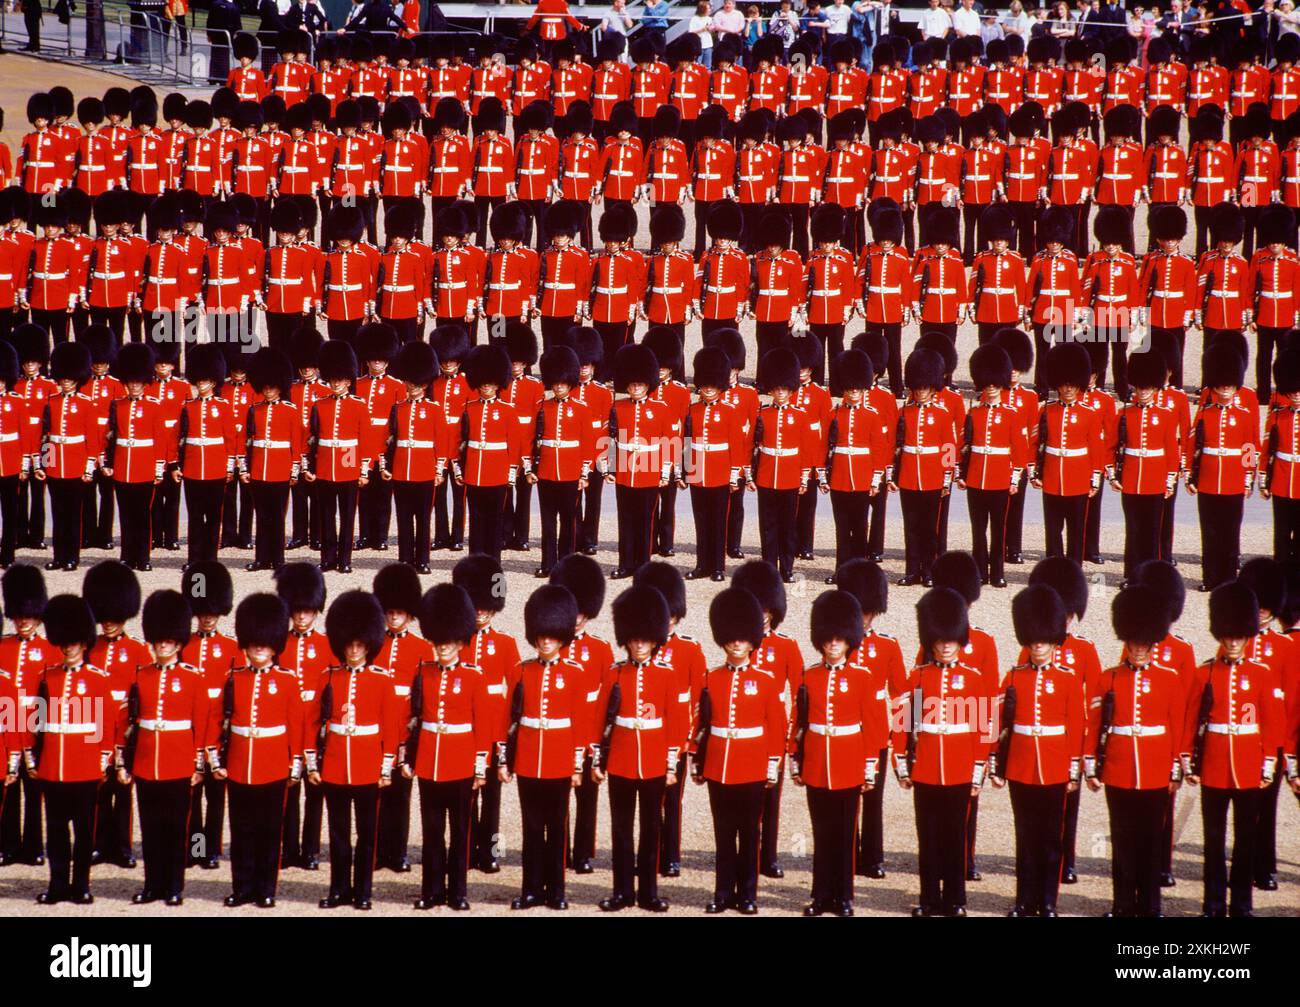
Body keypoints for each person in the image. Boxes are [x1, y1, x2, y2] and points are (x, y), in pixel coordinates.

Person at [895, 588, 992, 917]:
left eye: (952, 639)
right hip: (925, 768)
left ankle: (955, 899)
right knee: (929, 837)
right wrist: (901, 765)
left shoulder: (973, 679)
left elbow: (983, 729)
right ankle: (928, 899)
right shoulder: (918, 677)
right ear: (931, 640)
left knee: (955, 836)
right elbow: (903, 725)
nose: (946, 645)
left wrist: (978, 771)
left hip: (960, 768)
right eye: (940, 640)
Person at [991, 585, 1084, 916]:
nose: (1038, 646)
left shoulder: (1068, 680)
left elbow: (1076, 727)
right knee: (1025, 838)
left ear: (1053, 639)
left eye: (1043, 640)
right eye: (1033, 640)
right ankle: (1023, 900)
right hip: (1020, 765)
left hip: (1056, 766)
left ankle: (1047, 901)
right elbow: (998, 723)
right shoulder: (1014, 676)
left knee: (1051, 839)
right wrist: (996, 765)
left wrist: (1074, 768)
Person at [1089, 585, 1181, 918]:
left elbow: (1176, 726)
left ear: (1152, 643)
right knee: (1123, 840)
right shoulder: (1108, 678)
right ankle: (1123, 903)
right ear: (1126, 642)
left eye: (1145, 644)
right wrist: (1091, 766)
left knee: (1151, 840)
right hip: (1119, 767)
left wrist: (1175, 767)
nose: (1139, 649)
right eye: (1134, 643)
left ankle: (1151, 904)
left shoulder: (1169, 679)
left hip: (1156, 768)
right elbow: (1095, 725)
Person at [310, 591, 403, 911]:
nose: (353, 650)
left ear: (369, 644)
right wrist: (311, 763)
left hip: (367, 767)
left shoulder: (381, 680)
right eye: (349, 644)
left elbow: (391, 727)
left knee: (366, 835)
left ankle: (363, 891)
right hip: (336, 765)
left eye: (359, 645)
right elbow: (313, 723)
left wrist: (386, 766)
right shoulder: (328, 677)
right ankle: (339, 889)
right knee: (338, 834)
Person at [697, 588, 786, 913]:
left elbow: (776, 725)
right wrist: (698, 760)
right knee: (723, 835)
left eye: (742, 638)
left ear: (752, 641)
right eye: (731, 638)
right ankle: (722, 893)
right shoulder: (711, 679)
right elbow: (702, 724)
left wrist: (773, 762)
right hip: (719, 764)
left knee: (750, 834)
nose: (736, 643)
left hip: (751, 766)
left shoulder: (764, 681)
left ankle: (747, 894)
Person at [118, 590, 210, 907]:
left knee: (174, 830)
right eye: (158, 641)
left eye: (168, 641)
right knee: (151, 828)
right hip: (146, 762)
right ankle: (152, 885)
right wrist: (124, 762)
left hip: (178, 761)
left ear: (178, 642)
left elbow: (202, 722)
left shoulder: (192, 677)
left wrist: (199, 763)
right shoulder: (141, 675)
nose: (162, 646)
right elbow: (130, 721)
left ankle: (174, 886)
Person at [793, 590, 881, 916]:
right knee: (821, 833)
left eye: (840, 639)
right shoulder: (809, 676)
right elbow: (799, 722)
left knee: (844, 835)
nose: (833, 644)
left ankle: (843, 897)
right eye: (828, 639)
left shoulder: (862, 678)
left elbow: (872, 726)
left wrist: (869, 765)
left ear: (849, 641)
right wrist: (795, 758)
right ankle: (820, 896)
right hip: (817, 762)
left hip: (848, 763)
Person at [594, 586, 682, 912]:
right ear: (627, 639)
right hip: (620, 761)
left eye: (645, 639)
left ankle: (648, 892)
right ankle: (622, 892)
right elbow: (599, 720)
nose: (640, 644)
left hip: (654, 763)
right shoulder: (614, 673)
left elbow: (675, 725)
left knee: (650, 830)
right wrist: (596, 759)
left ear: (655, 639)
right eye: (635, 639)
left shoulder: (667, 676)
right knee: (620, 830)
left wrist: (671, 765)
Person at [31, 595, 119, 905]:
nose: (68, 647)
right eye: (64, 642)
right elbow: (36, 722)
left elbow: (105, 724)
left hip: (83, 767)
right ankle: (57, 885)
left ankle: (81, 885)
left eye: (74, 642)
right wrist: (34, 758)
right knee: (55, 833)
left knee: (83, 833)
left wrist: (103, 758)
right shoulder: (48, 677)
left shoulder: (97, 680)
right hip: (53, 766)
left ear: (84, 643)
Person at [407, 583, 491, 910]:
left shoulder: (473, 676)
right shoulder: (424, 672)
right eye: (438, 641)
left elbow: (481, 724)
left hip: (460, 764)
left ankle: (457, 893)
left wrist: (480, 766)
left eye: (449, 642)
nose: (443, 647)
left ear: (460, 641)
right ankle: (431, 891)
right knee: (431, 833)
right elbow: (413, 717)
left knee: (459, 833)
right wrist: (408, 757)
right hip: (430, 761)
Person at [217, 593, 302, 909]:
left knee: (269, 831)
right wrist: (217, 758)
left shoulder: (286, 681)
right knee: (241, 831)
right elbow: (221, 722)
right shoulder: (234, 679)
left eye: (264, 644)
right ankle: (243, 887)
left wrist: (295, 763)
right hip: (240, 763)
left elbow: (295, 725)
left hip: (273, 764)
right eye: (254, 643)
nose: (258, 649)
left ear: (274, 644)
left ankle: (266, 888)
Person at [504, 585, 585, 911]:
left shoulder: (574, 674)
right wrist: (504, 761)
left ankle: (557, 890)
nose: (546, 641)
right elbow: (509, 720)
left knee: (557, 826)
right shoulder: (521, 671)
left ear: (561, 636)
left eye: (552, 635)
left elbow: (579, 723)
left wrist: (577, 765)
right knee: (531, 828)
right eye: (541, 635)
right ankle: (531, 890)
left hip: (559, 759)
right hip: (528, 759)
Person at [452, 554, 520, 874]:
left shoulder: (505, 644)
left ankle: (492, 852)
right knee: (465, 798)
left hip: (494, 729)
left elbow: (516, 689)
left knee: (493, 799)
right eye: (476, 606)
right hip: (464, 729)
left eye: (486, 606)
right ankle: (464, 852)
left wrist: (507, 733)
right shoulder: (455, 642)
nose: (480, 612)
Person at [371, 565, 433, 874]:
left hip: (405, 732)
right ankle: (377, 852)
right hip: (377, 732)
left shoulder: (423, 649)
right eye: (390, 612)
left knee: (401, 797)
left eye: (400, 612)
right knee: (376, 797)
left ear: (410, 615)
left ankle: (397, 853)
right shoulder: (372, 645)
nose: (394, 617)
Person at [958, 345, 1029, 588]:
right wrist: (962, 473)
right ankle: (980, 571)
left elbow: (1019, 449)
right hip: (976, 477)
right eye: (987, 384)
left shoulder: (1012, 414)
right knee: (978, 530)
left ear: (1000, 384)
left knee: (998, 529)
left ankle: (997, 572)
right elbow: (965, 445)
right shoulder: (974, 413)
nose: (990, 388)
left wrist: (1014, 478)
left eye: (994, 384)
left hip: (999, 478)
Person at [1188, 342, 1256, 591]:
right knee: (1210, 531)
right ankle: (1210, 577)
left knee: (1230, 532)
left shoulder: (1244, 413)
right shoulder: (1206, 411)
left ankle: (1228, 578)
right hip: (1207, 477)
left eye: (1229, 384)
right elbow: (1193, 442)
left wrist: (1248, 477)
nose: (1225, 388)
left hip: (1233, 479)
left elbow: (1250, 445)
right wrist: (1190, 475)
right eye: (1221, 384)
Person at [891, 349, 958, 586]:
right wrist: (894, 475)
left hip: (932, 477)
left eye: (924, 387)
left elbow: (949, 447)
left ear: (932, 387)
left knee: (931, 529)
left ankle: (930, 571)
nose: (920, 391)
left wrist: (946, 478)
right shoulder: (904, 412)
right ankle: (912, 571)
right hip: (909, 475)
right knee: (911, 527)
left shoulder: (942, 414)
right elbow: (896, 446)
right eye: (917, 387)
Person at [1033, 343, 1104, 562]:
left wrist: (1095, 478)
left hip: (1078, 478)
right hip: (1053, 476)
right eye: (1064, 384)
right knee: (1053, 530)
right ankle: (1053, 566)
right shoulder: (1046, 410)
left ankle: (1074, 569)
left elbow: (1096, 448)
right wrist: (1035, 472)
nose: (1068, 389)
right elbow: (1037, 443)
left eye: (1072, 384)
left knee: (1076, 531)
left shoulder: (1089, 413)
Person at [306, 340, 370, 574]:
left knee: (347, 514)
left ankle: (345, 559)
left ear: (348, 380)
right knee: (326, 515)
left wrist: (363, 470)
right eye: (333, 380)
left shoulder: (358, 405)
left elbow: (365, 440)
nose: (336, 384)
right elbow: (312, 438)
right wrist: (309, 466)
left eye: (340, 380)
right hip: (325, 463)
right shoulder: (319, 404)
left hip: (347, 459)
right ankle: (328, 558)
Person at [691, 0, 717, 69]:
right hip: (698, 46)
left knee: (707, 66)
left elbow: (712, 31)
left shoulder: (709, 19)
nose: (710, 10)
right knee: (697, 65)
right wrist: (702, 29)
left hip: (708, 45)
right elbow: (691, 32)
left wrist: (712, 29)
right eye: (708, 8)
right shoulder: (695, 19)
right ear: (702, 9)